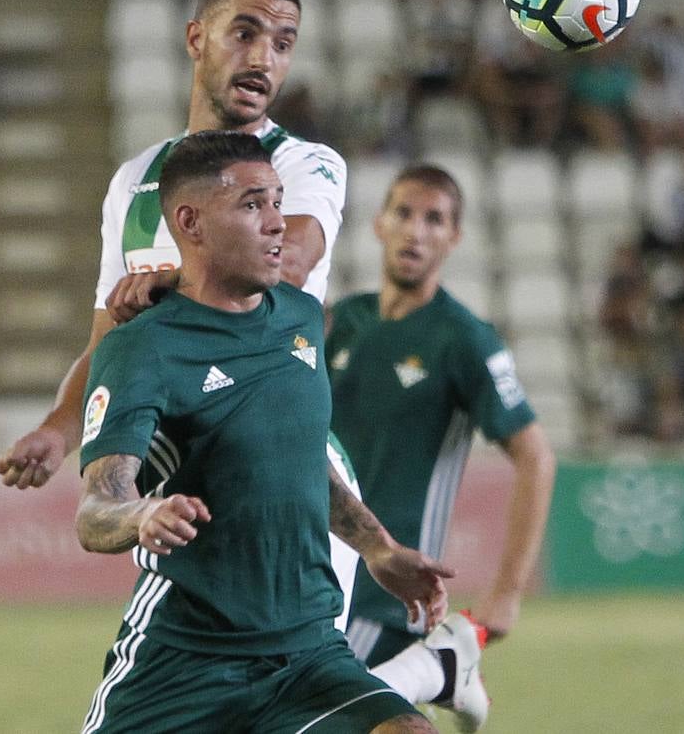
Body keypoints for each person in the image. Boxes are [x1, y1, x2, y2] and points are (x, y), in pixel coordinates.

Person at [0, 0, 479, 714]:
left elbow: (297, 254)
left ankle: (424, 674)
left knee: (302, 674)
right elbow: (107, 334)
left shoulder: (306, 162)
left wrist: (176, 276)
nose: (264, 59)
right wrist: (61, 431)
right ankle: (431, 672)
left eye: (284, 43)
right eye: (246, 33)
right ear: (197, 38)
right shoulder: (136, 183)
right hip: (184, 466)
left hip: (285, 456)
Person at [76, 132, 445, 733]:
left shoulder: (301, 319)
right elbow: (96, 508)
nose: (279, 223)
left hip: (306, 651)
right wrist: (141, 516)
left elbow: (304, 465)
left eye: (278, 201)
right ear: (190, 222)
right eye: (253, 205)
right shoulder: (142, 348)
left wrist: (377, 545)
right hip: (185, 661)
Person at [329, 165, 557, 732]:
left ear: (454, 239)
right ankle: (444, 667)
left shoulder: (463, 338)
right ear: (380, 223)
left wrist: (506, 593)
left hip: (391, 597)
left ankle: (442, 664)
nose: (416, 230)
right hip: (317, 578)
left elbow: (536, 456)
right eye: (404, 213)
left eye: (435, 219)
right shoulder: (342, 322)